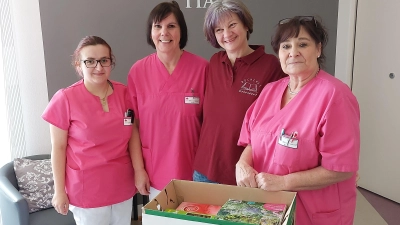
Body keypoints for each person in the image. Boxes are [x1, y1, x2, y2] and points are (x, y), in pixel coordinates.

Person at [235, 16, 360, 225]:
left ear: (318, 49)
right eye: (286, 46)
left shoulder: (335, 96)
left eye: (302, 44)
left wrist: (283, 182)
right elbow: (252, 141)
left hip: (313, 212)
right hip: (269, 208)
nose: (293, 52)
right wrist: (242, 164)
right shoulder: (270, 91)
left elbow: (341, 168)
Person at [42, 36, 136, 225]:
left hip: (122, 185)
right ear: (79, 65)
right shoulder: (65, 99)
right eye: (90, 61)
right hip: (87, 190)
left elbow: (133, 135)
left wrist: (139, 171)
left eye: (104, 60)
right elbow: (58, 148)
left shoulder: (125, 93)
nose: (99, 67)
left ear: (111, 62)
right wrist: (59, 191)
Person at [192, 0, 286, 185]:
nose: (226, 34)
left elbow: (282, 120)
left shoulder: (270, 66)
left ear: (245, 24)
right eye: (218, 30)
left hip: (244, 175)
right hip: (203, 171)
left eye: (232, 25)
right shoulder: (215, 62)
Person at [127, 1, 208, 199]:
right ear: (151, 32)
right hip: (155, 171)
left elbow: (211, 124)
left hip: (195, 172)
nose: (164, 32)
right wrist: (139, 170)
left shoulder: (202, 69)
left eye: (171, 26)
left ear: (182, 31)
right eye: (158, 26)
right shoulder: (138, 71)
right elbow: (133, 127)